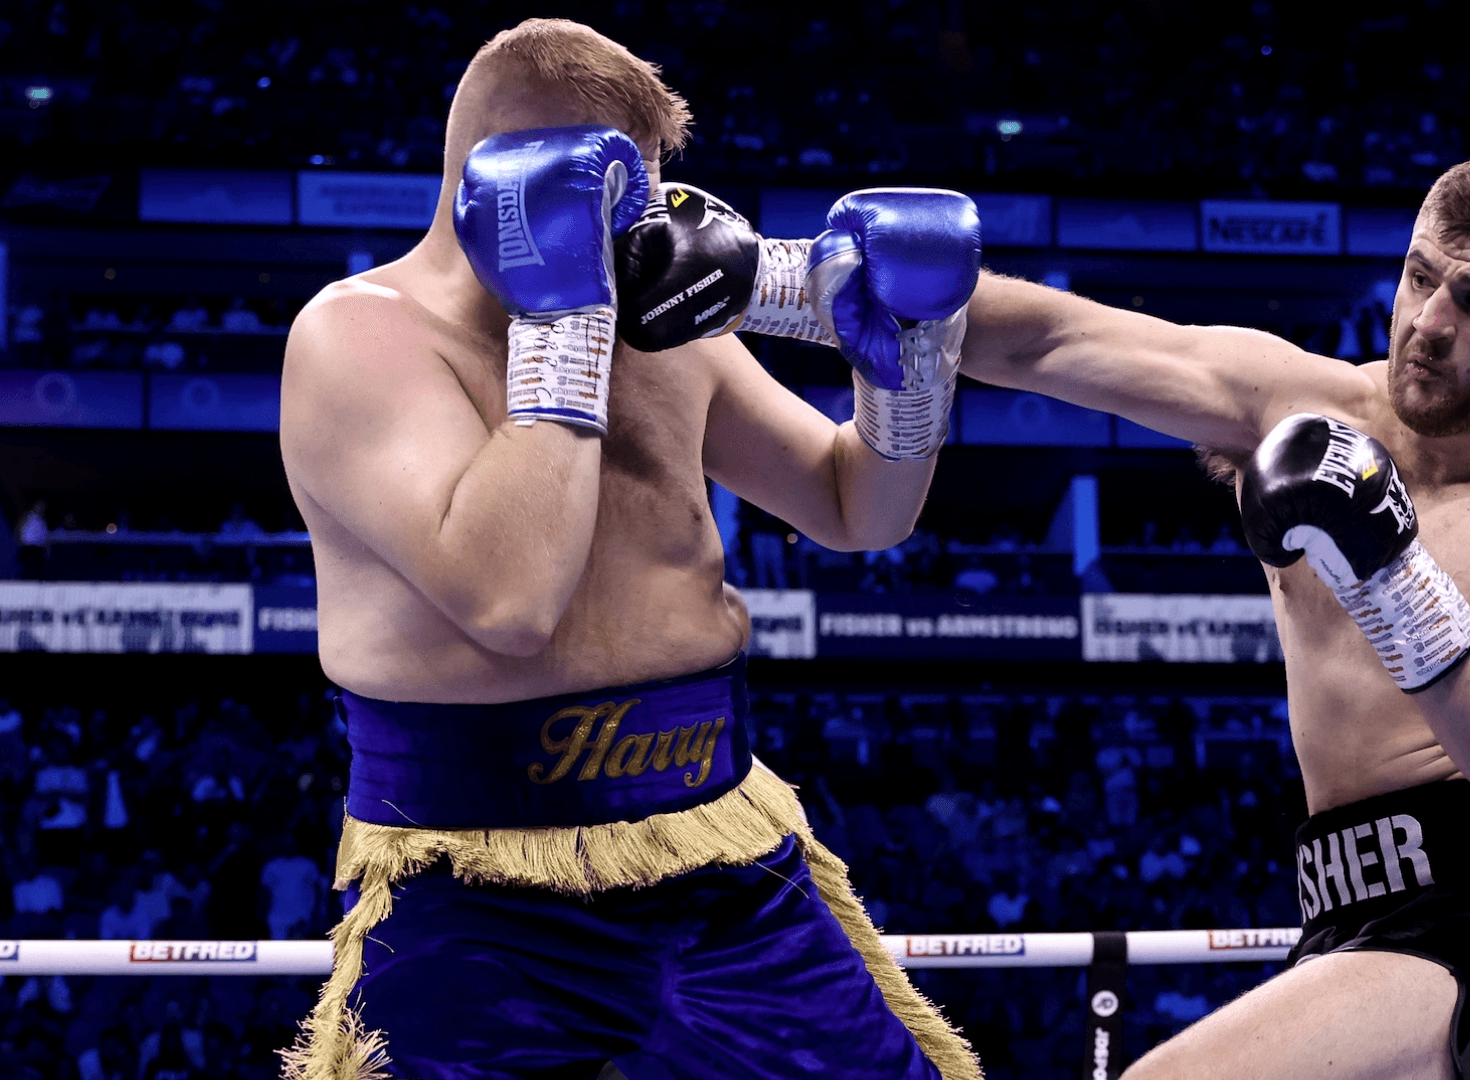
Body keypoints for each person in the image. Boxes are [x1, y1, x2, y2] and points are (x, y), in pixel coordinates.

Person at [278, 18, 980, 1080]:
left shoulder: (663, 331)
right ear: (507, 181)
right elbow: (512, 603)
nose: (641, 229)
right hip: (477, 885)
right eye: (611, 198)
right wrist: (563, 315)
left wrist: (910, 372)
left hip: (723, 848)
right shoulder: (359, 338)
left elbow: (856, 511)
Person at [961, 150, 1470, 1080]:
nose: (1429, 324)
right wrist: (803, 286)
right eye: (1420, 277)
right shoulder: (1299, 409)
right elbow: (1045, 341)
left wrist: (1396, 581)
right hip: (1349, 926)